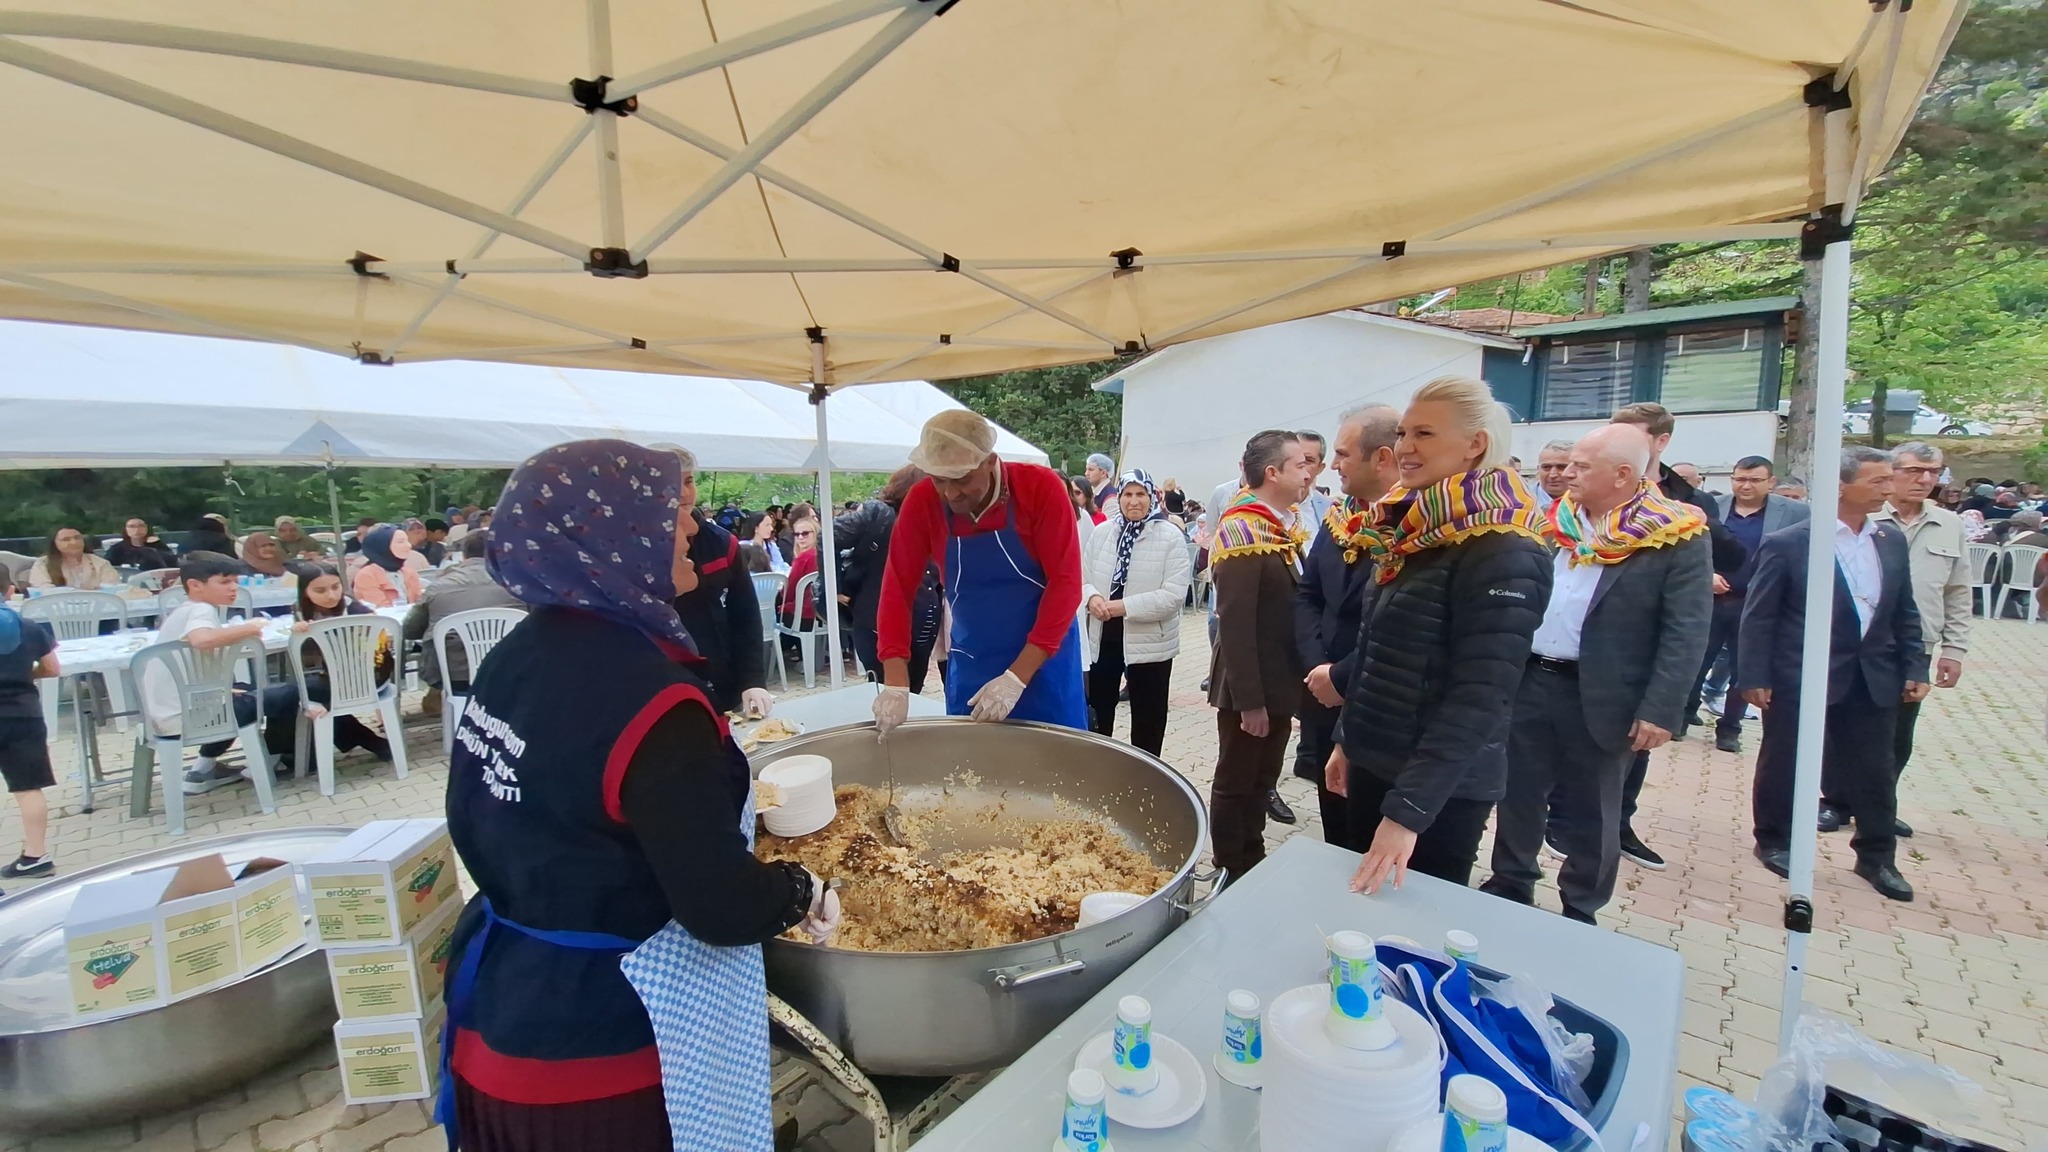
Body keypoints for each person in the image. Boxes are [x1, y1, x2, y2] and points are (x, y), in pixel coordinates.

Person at [437, 439, 838, 1152]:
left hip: (502, 1005)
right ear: (613, 537)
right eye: (670, 513)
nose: (692, 527)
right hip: (600, 1053)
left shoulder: (519, 652)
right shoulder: (654, 700)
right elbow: (718, 906)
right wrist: (801, 892)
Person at [1325, 376, 1551, 893]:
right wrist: (1348, 740)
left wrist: (1407, 814)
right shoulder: (1416, 527)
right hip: (1375, 758)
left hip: (1438, 789)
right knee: (1360, 910)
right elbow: (1379, 648)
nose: (1405, 447)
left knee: (1409, 928)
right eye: (1404, 433)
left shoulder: (1505, 547)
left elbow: (1481, 696)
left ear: (1476, 444)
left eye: (1424, 434)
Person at [1481, 425, 1712, 926]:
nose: (1566, 474)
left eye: (1581, 467)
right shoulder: (1552, 524)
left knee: (1594, 809)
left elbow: (1686, 630)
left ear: (1623, 474)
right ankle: (1511, 881)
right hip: (1531, 681)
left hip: (1608, 695)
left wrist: (1660, 708)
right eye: (1566, 465)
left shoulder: (1673, 532)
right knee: (1518, 792)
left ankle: (1580, 905)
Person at [1739, 446, 1925, 902]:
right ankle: (1776, 839)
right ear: (1841, 486)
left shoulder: (1889, 540)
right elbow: (1759, 615)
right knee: (1787, 757)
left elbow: (1903, 610)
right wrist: (1754, 675)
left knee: (1876, 768)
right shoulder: (1792, 543)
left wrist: (1914, 664)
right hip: (1800, 672)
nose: (1889, 488)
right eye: (1878, 480)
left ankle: (1877, 855)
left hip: (1873, 673)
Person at [871, 410, 1086, 734]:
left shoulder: (1040, 489)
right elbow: (897, 587)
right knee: (971, 774)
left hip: (1044, 662)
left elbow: (1066, 585)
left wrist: (1016, 678)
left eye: (961, 479)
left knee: (1054, 770)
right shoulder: (922, 501)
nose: (950, 493)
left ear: (990, 461)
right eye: (939, 479)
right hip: (972, 661)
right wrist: (896, 681)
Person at [1604, 402, 1743, 872]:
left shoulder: (1686, 503)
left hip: (1641, 657)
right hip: (1586, 652)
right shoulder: (1587, 496)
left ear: (1660, 442)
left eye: (1631, 436)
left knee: (1629, 754)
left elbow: (1728, 553)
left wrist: (1698, 570)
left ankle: (1618, 827)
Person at [1207, 432, 1314, 880]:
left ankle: (1252, 855)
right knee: (1238, 781)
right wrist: (1250, 700)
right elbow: (1234, 622)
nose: (1308, 472)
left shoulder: (1277, 523)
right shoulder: (1243, 527)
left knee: (1261, 778)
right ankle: (1231, 863)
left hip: (1277, 680)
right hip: (1247, 685)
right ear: (1272, 473)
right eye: (1299, 464)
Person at [1294, 404, 1402, 848]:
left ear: (1380, 457)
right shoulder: (1339, 520)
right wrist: (1319, 666)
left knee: (1372, 827)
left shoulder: (1414, 525)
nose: (1331, 465)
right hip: (1323, 690)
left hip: (1377, 693)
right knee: (1334, 814)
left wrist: (1343, 676)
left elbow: (1400, 626)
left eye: (1341, 454)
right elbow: (1309, 596)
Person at [1862, 443, 1972, 836]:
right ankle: (1837, 800)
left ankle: (1879, 806)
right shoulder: (1868, 515)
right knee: (1848, 724)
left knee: (1899, 733)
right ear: (1893, 471)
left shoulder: (1950, 525)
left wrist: (1954, 650)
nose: (1925, 480)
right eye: (1915, 471)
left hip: (1917, 645)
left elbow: (1958, 591)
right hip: (1861, 642)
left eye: (1933, 472)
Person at [140, 552, 295, 793]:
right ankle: (265, 764)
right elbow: (201, 640)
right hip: (190, 716)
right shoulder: (200, 609)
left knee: (241, 691)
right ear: (194, 585)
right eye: (224, 582)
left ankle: (203, 770)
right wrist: (248, 628)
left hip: (167, 713)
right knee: (289, 695)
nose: (234, 588)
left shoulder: (183, 610)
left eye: (235, 581)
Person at [1696, 456, 1810, 754]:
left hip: (1756, 607)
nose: (1745, 486)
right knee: (1696, 660)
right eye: (1739, 479)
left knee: (1743, 669)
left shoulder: (1795, 513)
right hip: (1711, 600)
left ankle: (1730, 728)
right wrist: (1708, 574)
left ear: (1770, 482)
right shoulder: (1713, 508)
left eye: (1754, 480)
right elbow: (1692, 548)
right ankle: (1682, 716)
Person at [1081, 470, 1192, 757]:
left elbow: (1173, 595)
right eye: (1127, 494)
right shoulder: (1103, 532)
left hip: (1150, 644)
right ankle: (1096, 771)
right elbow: (1083, 576)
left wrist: (1121, 607)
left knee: (1148, 719)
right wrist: (1092, 597)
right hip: (1103, 638)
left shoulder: (1170, 536)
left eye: (1140, 494)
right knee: (1098, 713)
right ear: (1118, 498)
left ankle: (1146, 778)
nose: (1133, 501)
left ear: (1152, 497)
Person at [673, 471, 775, 718]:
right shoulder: (629, 556)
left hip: (722, 680)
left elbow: (745, 614)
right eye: (673, 483)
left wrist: (752, 680)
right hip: (672, 689)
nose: (685, 493)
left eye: (689, 481)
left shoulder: (721, 543)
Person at [835, 467, 942, 694]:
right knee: (886, 691)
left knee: (913, 691)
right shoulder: (881, 514)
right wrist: (833, 587)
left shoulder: (930, 519)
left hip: (921, 623)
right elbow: (828, 537)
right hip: (880, 623)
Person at [403, 530, 526, 716]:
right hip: (511, 673)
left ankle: (445, 708)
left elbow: (410, 631)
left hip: (456, 677)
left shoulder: (438, 587)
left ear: (465, 555)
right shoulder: (518, 584)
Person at [289, 562, 394, 763]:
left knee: (294, 695)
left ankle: (290, 756)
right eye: (320, 590)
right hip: (332, 676)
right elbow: (308, 659)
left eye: (336, 587)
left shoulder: (354, 609)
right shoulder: (301, 612)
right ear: (305, 592)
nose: (330, 595)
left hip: (368, 675)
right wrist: (301, 633)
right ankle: (373, 743)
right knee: (295, 694)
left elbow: (378, 641)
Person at [0, 568, 58, 879]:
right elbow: (52, 668)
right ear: (10, 591)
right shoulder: (28, 626)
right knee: (28, 788)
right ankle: (36, 855)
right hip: (23, 713)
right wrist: (23, 674)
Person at [351, 525, 423, 608]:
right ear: (383, 546)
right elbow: (381, 608)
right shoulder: (366, 575)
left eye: (407, 541)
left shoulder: (408, 571)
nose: (408, 545)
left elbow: (420, 601)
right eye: (400, 542)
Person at [28, 527, 121, 590]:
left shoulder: (100, 563)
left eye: (77, 538)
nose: (74, 542)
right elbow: (43, 588)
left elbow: (112, 587)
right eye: (66, 539)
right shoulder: (43, 563)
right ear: (54, 544)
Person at [778, 516, 822, 640]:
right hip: (825, 612)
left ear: (816, 533)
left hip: (806, 614)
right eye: (797, 534)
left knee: (775, 611)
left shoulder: (804, 558)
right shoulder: (826, 553)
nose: (800, 537)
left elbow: (789, 592)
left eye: (805, 533)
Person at [1296, 430, 1336, 535]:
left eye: (1308, 460)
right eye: (1295, 459)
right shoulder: (1260, 505)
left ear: (1320, 468)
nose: (1300, 465)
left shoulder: (1330, 510)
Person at [106, 518, 174, 570]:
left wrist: (155, 545)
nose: (137, 529)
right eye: (132, 526)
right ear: (125, 529)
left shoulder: (157, 546)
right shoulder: (116, 549)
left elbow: (171, 564)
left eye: (141, 526)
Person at [1531, 440, 1573, 512]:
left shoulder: (1589, 503)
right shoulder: (1519, 500)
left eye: (1561, 467)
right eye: (1546, 467)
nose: (1553, 474)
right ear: (1538, 469)